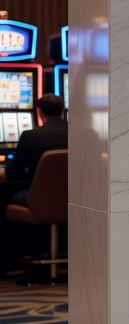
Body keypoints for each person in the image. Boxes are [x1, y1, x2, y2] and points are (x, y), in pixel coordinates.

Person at [4, 94, 68, 280]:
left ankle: (32, 256)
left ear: (39, 112)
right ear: (63, 111)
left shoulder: (31, 136)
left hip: (40, 201)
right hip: (76, 200)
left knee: (11, 198)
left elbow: (12, 174)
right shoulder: (82, 132)